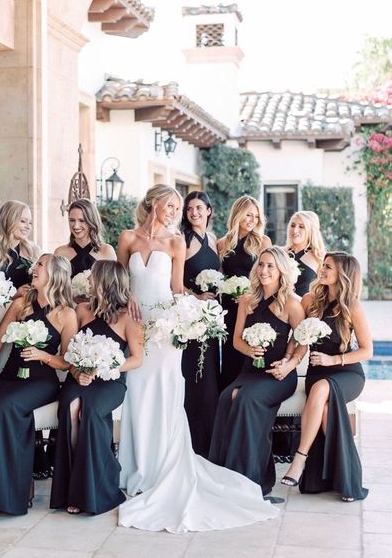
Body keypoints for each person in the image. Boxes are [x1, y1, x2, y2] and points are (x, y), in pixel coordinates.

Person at [117, 184, 277, 533]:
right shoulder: (127, 238)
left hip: (165, 331)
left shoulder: (176, 243)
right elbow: (120, 281)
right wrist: (125, 297)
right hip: (136, 327)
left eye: (178, 207)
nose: (174, 211)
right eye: (170, 205)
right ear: (152, 203)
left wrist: (194, 314)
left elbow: (176, 290)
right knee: (138, 394)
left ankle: (163, 467)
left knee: (165, 394)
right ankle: (136, 468)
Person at [0, 254, 77, 517]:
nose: (34, 269)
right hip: (10, 377)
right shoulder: (21, 304)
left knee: (1, 411)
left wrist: (42, 355)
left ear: (54, 274)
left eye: (40, 265)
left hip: (41, 382)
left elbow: (67, 362)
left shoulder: (66, 314)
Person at [209, 246, 305, 498]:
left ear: (281, 270)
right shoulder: (247, 299)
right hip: (250, 370)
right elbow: (236, 340)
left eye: (270, 266)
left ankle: (254, 483)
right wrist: (250, 351)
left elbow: (303, 340)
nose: (264, 270)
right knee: (226, 399)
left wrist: (289, 362)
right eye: (261, 264)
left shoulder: (292, 305)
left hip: (279, 375)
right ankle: (226, 477)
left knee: (246, 399)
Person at [50, 260, 143, 515]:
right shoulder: (81, 310)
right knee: (70, 408)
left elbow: (137, 358)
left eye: (93, 277)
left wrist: (105, 366)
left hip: (111, 381)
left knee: (89, 412)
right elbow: (69, 352)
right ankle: (72, 488)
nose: (89, 281)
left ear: (105, 282)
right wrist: (79, 371)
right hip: (79, 376)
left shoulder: (128, 316)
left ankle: (97, 489)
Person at [281, 252, 372, 501]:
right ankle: (345, 480)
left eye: (328, 267)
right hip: (317, 372)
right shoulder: (310, 300)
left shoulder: (352, 306)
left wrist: (335, 359)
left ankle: (299, 459)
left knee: (321, 389)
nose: (322, 269)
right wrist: (289, 359)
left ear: (342, 274)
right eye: (323, 265)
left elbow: (367, 350)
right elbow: (296, 336)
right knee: (324, 410)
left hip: (347, 373)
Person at [181, 190, 220, 457]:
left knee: (210, 377)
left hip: (211, 319)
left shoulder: (214, 239)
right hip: (190, 318)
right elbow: (172, 279)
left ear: (209, 210)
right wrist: (194, 296)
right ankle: (193, 441)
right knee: (195, 377)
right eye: (190, 209)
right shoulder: (183, 239)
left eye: (199, 208)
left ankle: (210, 442)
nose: (194, 213)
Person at [217, 195, 271, 390]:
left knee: (249, 349)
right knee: (231, 352)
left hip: (252, 305)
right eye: (248, 215)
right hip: (229, 307)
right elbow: (220, 276)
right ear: (237, 214)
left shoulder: (262, 241)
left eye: (256, 217)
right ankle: (227, 400)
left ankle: (248, 396)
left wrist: (251, 293)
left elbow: (269, 274)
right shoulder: (222, 243)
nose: (252, 220)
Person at [0, 200, 40, 297]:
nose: (28, 227)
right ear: (8, 221)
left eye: (30, 223)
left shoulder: (33, 250)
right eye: (23, 221)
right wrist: (14, 295)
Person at [55, 199, 116, 282]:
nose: (76, 226)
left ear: (91, 221)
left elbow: (114, 288)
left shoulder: (106, 251)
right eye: (72, 220)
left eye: (82, 220)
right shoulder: (60, 252)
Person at [285, 210, 325, 297]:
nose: (295, 230)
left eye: (301, 227)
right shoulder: (280, 253)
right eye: (293, 225)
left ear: (311, 230)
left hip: (305, 308)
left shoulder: (319, 258)